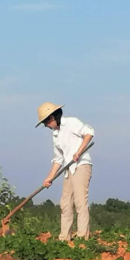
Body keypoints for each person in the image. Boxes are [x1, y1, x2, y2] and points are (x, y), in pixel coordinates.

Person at [37, 102, 94, 240]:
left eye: (46, 122)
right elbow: (58, 159)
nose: (46, 125)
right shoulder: (55, 135)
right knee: (65, 203)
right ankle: (64, 238)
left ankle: (82, 238)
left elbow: (89, 133)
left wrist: (78, 152)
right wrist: (49, 177)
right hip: (68, 169)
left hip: (81, 165)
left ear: (53, 117)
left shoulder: (71, 123)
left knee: (80, 202)